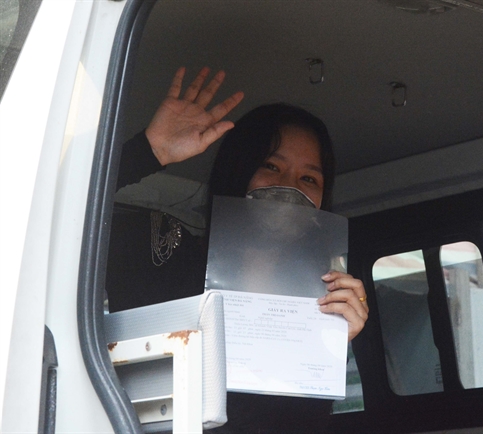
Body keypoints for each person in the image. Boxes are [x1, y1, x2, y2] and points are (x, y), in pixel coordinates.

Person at [108, 67, 368, 432]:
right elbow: (43, 220)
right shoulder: (160, 248)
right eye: (270, 166)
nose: (288, 188)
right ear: (238, 169)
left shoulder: (321, 306)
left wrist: (330, 347)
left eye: (308, 178)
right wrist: (149, 152)